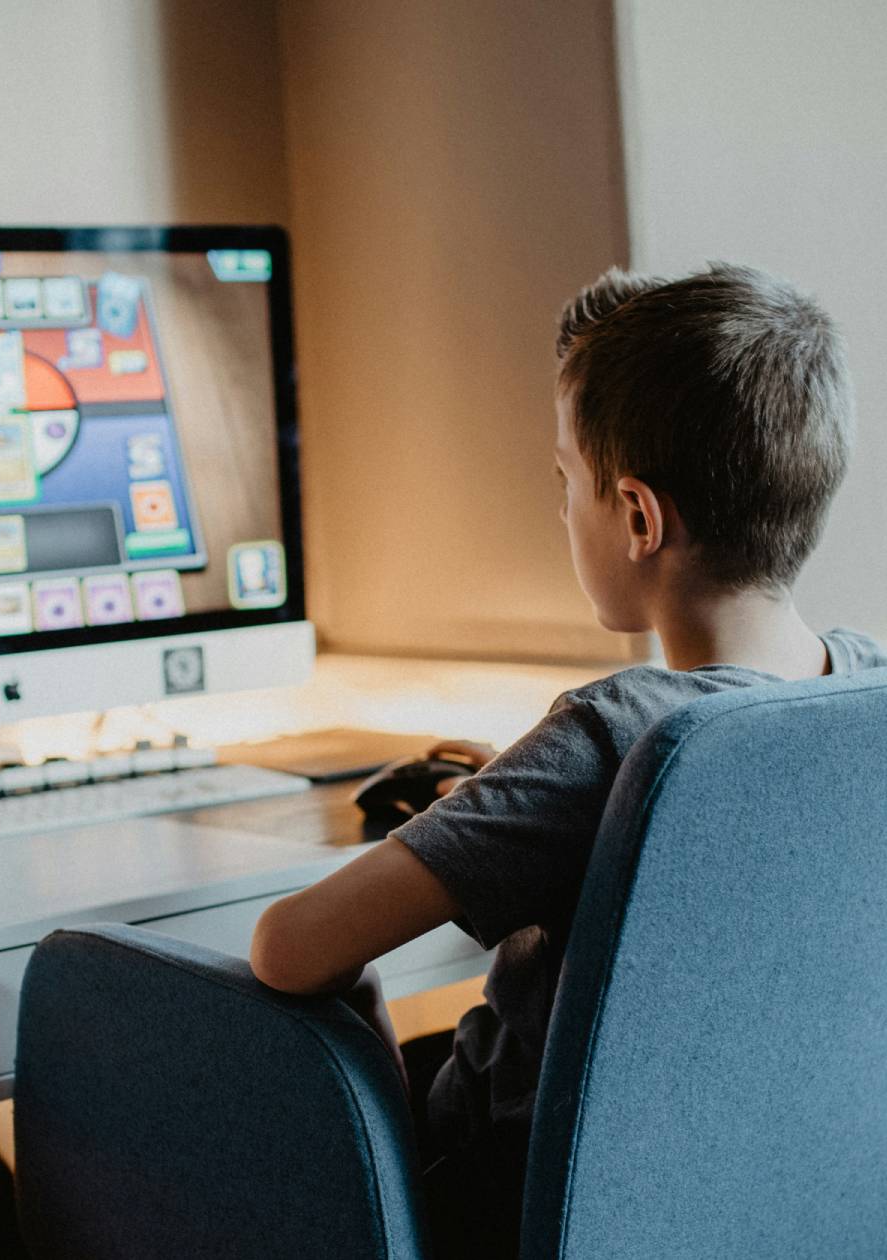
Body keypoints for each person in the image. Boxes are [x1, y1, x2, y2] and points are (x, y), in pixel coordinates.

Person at [250, 263, 887, 1257]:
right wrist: (496, 814)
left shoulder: (610, 735)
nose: (561, 510)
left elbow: (290, 947)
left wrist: (462, 822)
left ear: (635, 517)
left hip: (510, 1194)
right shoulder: (865, 692)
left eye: (564, 483)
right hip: (750, 1195)